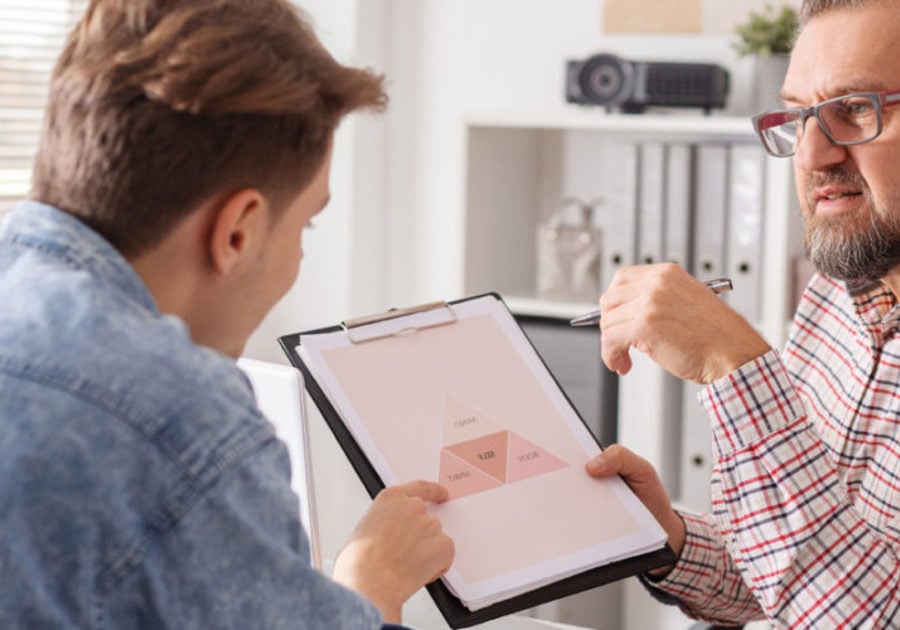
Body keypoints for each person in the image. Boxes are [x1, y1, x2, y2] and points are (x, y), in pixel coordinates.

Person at [0, 0, 454, 627]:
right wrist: (370, 580)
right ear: (237, 232)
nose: (299, 251)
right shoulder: (179, 416)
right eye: (307, 224)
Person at [585, 0, 900, 626]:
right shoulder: (838, 292)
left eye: (856, 109)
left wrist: (736, 366)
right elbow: (793, 574)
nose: (810, 157)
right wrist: (668, 538)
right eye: (799, 116)